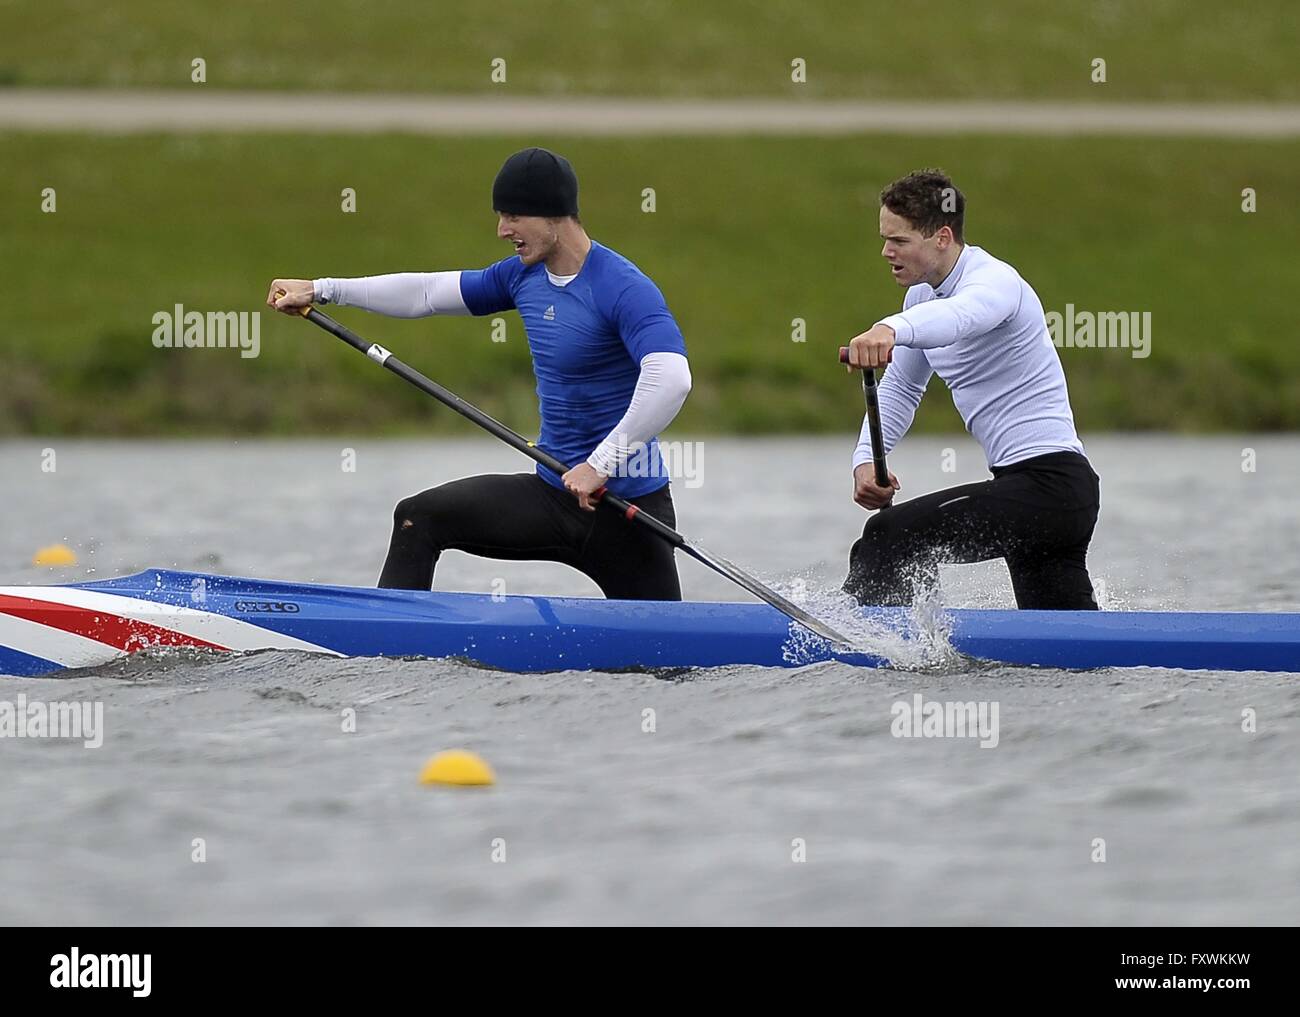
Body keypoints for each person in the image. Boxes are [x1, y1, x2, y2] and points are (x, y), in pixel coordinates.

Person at [267, 147, 691, 599]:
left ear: (553, 215)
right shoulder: (522, 276)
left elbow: (671, 378)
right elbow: (427, 293)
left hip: (626, 509)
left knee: (661, 669)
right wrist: (322, 290)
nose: (502, 230)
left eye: (512, 216)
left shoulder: (622, 287)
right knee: (418, 517)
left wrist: (599, 465)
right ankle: (392, 652)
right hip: (552, 495)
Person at [842, 169, 1100, 609]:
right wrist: (866, 459)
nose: (886, 251)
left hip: (1049, 488)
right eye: (884, 239)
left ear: (942, 237)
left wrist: (889, 329)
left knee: (889, 535)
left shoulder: (994, 282)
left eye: (899, 241)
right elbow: (901, 389)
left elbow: (960, 318)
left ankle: (891, 649)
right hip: (1032, 498)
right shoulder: (920, 299)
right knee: (1059, 654)